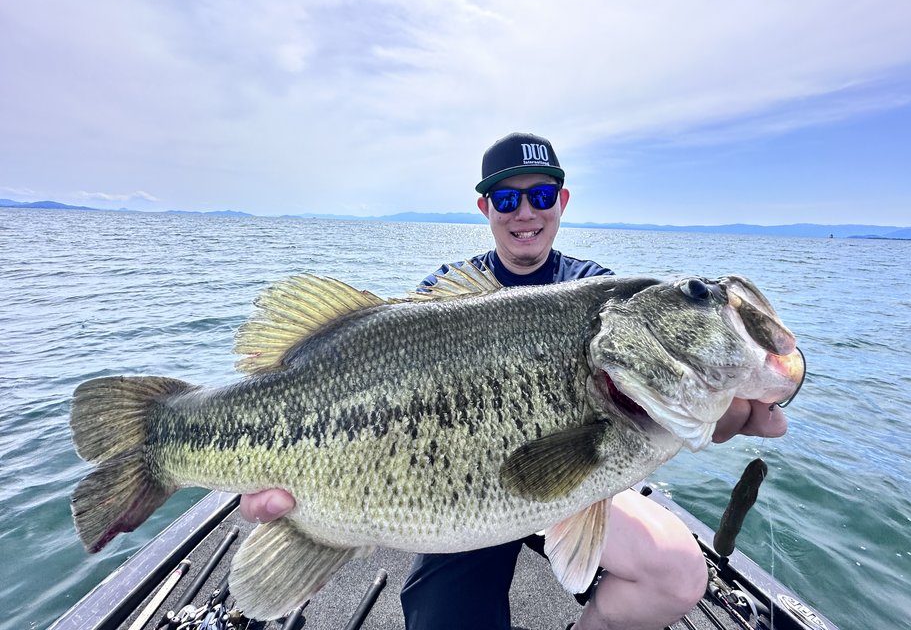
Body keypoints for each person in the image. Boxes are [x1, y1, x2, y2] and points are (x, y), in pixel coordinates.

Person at [239, 132, 788, 630]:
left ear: (562, 202)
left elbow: (708, 409)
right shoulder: (441, 296)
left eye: (541, 196)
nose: (525, 212)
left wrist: (741, 402)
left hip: (582, 489)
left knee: (678, 574)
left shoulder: (597, 289)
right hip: (457, 500)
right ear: (486, 208)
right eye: (507, 199)